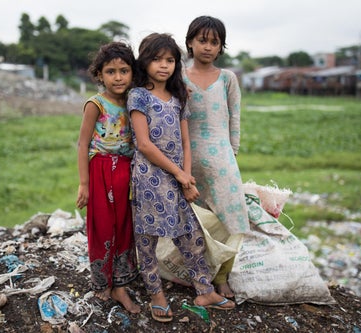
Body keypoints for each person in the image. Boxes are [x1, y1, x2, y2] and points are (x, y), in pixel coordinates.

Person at [127, 32, 235, 323]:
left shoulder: (178, 96)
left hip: (177, 178)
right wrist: (179, 174)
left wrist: (186, 177)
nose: (164, 66)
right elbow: (145, 144)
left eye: (170, 60)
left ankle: (204, 290)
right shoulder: (138, 96)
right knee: (147, 239)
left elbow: (186, 142)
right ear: (144, 62)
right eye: (157, 59)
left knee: (190, 235)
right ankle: (156, 295)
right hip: (149, 179)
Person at [183, 16, 250, 299]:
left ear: (221, 47)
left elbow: (235, 116)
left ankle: (223, 277)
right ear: (190, 43)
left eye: (214, 42)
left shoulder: (228, 78)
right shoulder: (179, 76)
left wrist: (232, 153)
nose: (208, 47)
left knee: (232, 217)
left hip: (222, 158)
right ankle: (196, 275)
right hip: (188, 159)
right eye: (202, 40)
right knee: (195, 220)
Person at [76, 41, 140, 314]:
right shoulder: (96, 104)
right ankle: (102, 282)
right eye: (111, 71)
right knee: (102, 226)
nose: (118, 77)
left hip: (126, 169)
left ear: (132, 73)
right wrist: (83, 183)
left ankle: (121, 285)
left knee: (124, 225)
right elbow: (82, 143)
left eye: (124, 70)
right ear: (100, 74)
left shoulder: (134, 101)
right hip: (100, 169)